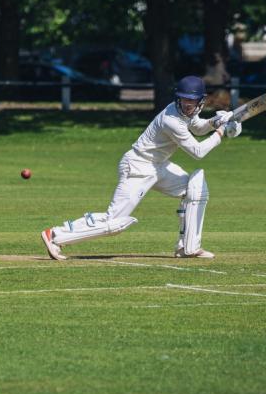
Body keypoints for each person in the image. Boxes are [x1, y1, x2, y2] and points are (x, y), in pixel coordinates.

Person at [40, 75, 241, 261]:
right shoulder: (172, 120)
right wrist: (221, 132)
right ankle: (56, 235)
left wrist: (215, 121)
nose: (187, 106)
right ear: (178, 98)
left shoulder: (187, 113)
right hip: (138, 166)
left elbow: (198, 127)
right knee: (115, 222)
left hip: (159, 166)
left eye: (191, 102)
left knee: (194, 189)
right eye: (184, 100)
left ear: (200, 102)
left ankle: (187, 247)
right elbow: (198, 152)